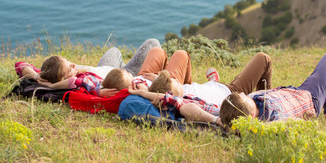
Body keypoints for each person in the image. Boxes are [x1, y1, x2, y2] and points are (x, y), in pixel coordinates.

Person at [128, 52, 273, 126]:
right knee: (263, 58)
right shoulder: (185, 100)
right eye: (174, 81)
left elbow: (165, 90)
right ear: (171, 92)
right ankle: (267, 99)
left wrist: (154, 80)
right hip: (233, 93)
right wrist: (143, 92)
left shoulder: (184, 89)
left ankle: (213, 80)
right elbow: (167, 99)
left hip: (217, 87)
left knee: (204, 81)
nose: (176, 79)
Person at [220, 52, 326, 127]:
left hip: (293, 92)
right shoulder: (275, 120)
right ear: (253, 116)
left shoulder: (240, 111)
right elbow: (296, 123)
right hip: (309, 99)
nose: (243, 93)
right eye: (243, 97)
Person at [14, 38, 161, 97]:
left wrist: (37, 76)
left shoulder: (51, 74)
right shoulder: (82, 81)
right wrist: (54, 86)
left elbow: (20, 65)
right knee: (152, 44)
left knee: (114, 51)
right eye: (69, 69)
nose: (73, 65)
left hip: (104, 67)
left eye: (68, 62)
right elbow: (83, 85)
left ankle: (127, 65)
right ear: (65, 78)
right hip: (125, 76)